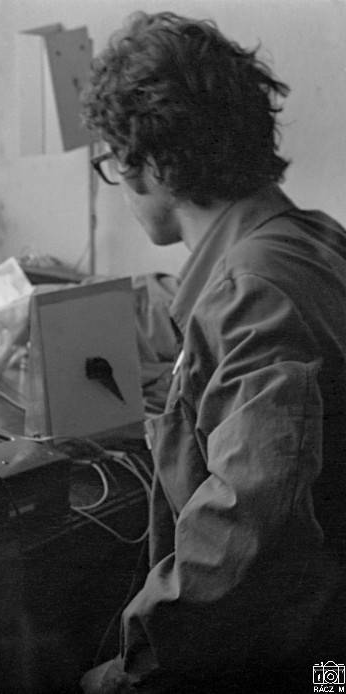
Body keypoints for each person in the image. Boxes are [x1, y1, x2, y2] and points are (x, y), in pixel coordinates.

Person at [78, 11, 346, 693]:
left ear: (151, 164)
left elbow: (246, 537)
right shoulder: (315, 241)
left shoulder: (250, 294)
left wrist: (128, 671)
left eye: (112, 162)